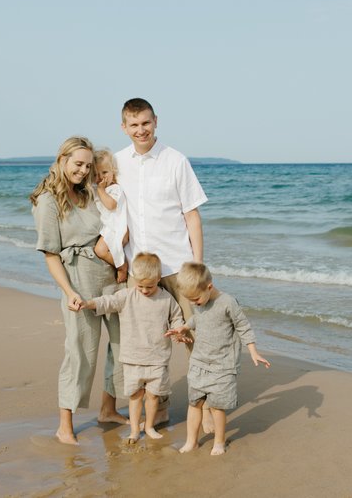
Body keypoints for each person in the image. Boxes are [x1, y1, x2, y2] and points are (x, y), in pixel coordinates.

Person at [115, 97, 207, 424]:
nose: (141, 130)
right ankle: (161, 406)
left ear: (156, 121)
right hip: (140, 271)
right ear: (124, 128)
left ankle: (206, 407)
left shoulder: (176, 160)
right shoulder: (116, 163)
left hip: (178, 267)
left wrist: (198, 265)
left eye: (146, 123)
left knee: (195, 338)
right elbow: (111, 214)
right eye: (134, 125)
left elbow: (192, 215)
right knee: (151, 344)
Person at [30, 136, 126, 445]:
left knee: (122, 343)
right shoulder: (47, 200)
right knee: (81, 351)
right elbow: (50, 254)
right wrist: (69, 291)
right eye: (78, 164)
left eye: (88, 166)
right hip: (77, 276)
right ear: (62, 160)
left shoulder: (88, 193)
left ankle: (108, 409)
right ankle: (65, 425)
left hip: (108, 271)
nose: (83, 171)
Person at [165, 262, 271, 456]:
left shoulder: (227, 302)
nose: (195, 303)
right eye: (190, 300)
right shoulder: (198, 301)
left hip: (223, 365)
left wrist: (253, 351)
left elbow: (243, 326)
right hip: (199, 362)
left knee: (217, 407)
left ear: (209, 287)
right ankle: (191, 441)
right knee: (194, 403)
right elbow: (198, 318)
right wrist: (185, 327)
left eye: (196, 299)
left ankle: (219, 442)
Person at [79, 252, 184, 443]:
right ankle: (135, 430)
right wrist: (88, 304)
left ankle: (150, 426)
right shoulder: (127, 295)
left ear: (158, 279)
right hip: (133, 358)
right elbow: (107, 302)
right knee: (135, 396)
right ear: (134, 279)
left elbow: (176, 316)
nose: (144, 291)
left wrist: (177, 330)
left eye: (149, 287)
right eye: (140, 286)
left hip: (157, 358)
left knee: (153, 396)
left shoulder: (166, 299)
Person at [92, 149, 129, 283]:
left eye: (105, 172)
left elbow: (111, 205)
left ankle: (121, 266)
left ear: (114, 172)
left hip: (116, 227)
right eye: (96, 174)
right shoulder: (100, 189)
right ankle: (119, 263)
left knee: (100, 250)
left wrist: (100, 190)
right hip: (108, 227)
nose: (101, 177)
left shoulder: (115, 189)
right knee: (102, 250)